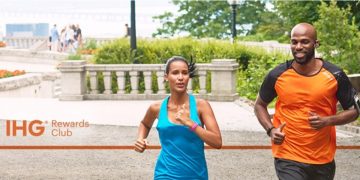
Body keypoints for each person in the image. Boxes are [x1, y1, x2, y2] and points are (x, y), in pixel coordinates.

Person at [254, 22, 359, 180]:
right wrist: (271, 130)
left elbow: (354, 111)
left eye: (304, 41)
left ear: (316, 44)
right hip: (287, 155)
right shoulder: (278, 74)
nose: (298, 46)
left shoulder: (335, 74)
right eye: (294, 41)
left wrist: (327, 121)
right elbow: (259, 105)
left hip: (322, 157)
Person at [134, 56, 222, 179]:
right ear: (166, 76)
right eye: (175, 73)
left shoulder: (201, 106)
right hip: (164, 174)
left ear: (188, 77)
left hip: (196, 175)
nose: (180, 77)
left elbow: (217, 142)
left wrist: (191, 124)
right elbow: (145, 124)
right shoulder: (156, 108)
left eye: (185, 73)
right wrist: (141, 138)